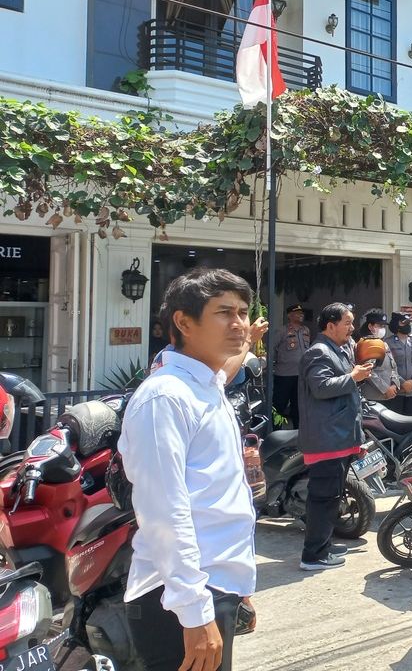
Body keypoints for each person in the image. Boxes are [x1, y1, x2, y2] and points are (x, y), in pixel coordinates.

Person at [119, 268, 259, 671]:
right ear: (183, 321)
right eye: (224, 312)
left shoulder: (207, 387)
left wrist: (238, 587)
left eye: (244, 312)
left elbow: (217, 498)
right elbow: (164, 513)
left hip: (213, 586)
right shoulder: (165, 396)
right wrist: (195, 613)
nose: (240, 324)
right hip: (177, 599)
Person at [297, 303, 373, 571]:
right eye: (348, 323)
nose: (352, 328)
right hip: (326, 439)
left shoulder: (337, 350)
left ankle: (324, 543)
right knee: (323, 500)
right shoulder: (318, 353)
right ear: (331, 325)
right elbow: (320, 387)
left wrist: (356, 375)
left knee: (332, 497)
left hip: (338, 438)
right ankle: (313, 556)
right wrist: (353, 377)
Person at [270, 304, 310, 428]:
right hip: (284, 375)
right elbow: (272, 347)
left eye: (302, 313)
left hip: (301, 375)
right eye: (297, 313)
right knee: (279, 405)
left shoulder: (306, 330)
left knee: (298, 405)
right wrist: (272, 363)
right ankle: (276, 432)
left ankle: (298, 433)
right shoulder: (282, 330)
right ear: (289, 315)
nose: (301, 315)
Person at [356, 310, 403, 405]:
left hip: (390, 395)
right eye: (380, 326)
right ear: (370, 326)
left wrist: (394, 384)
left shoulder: (383, 343)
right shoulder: (365, 344)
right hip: (373, 398)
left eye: (384, 326)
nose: (383, 329)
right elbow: (368, 371)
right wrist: (385, 389)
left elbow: (393, 366)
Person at [386, 313, 412, 413]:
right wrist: (403, 383)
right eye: (404, 323)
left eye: (408, 323)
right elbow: (388, 366)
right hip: (396, 392)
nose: (407, 326)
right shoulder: (387, 343)